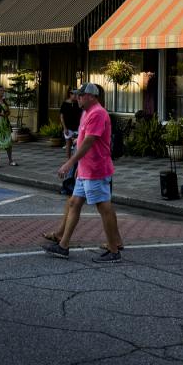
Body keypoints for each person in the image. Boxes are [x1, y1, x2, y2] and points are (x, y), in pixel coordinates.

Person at [43, 83, 124, 263]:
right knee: (73, 203)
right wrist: (79, 165)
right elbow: (82, 141)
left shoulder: (97, 113)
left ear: (91, 96)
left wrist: (70, 162)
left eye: (80, 95)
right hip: (86, 169)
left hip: (96, 169)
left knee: (104, 208)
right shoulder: (87, 112)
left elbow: (89, 141)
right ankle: (63, 245)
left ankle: (113, 250)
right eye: (76, 95)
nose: (77, 97)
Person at [60, 88, 83, 157]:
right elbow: (61, 117)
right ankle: (68, 160)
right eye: (74, 94)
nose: (76, 96)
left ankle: (76, 160)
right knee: (68, 144)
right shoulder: (65, 104)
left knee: (78, 144)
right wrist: (65, 128)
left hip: (77, 127)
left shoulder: (78, 104)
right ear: (70, 94)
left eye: (77, 94)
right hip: (68, 127)